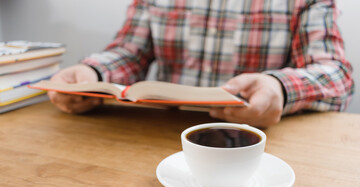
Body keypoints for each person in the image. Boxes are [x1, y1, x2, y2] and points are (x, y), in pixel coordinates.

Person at [48, 0, 354, 127]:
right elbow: (131, 52)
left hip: (257, 147)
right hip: (156, 137)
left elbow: (335, 75)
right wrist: (93, 73)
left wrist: (279, 88)